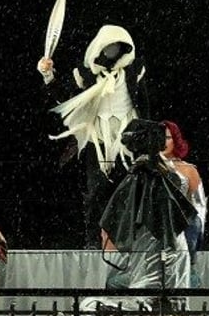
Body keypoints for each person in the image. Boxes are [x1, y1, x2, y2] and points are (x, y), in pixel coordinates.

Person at [37, 25, 149, 248]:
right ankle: (93, 241)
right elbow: (66, 100)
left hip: (127, 140)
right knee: (95, 192)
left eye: (117, 47)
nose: (112, 51)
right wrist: (48, 74)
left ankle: (130, 240)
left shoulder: (134, 71)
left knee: (131, 190)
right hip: (97, 139)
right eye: (108, 47)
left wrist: (146, 143)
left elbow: (144, 105)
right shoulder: (86, 74)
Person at [98, 119, 197, 304]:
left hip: (160, 246)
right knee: (166, 297)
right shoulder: (158, 174)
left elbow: (120, 214)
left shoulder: (146, 176)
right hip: (164, 245)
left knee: (151, 296)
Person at [161, 120, 206, 286]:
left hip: (183, 229)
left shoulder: (188, 169)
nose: (162, 142)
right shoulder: (144, 166)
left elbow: (199, 208)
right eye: (158, 137)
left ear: (175, 140)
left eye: (167, 137)